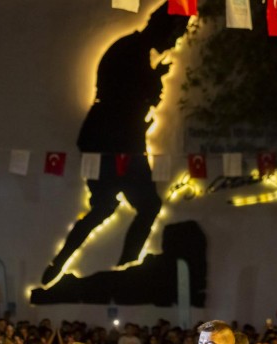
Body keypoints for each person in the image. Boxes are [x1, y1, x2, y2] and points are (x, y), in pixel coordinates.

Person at [40, 1, 191, 285]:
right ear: (163, 27)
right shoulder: (131, 52)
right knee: (125, 206)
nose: (174, 43)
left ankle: (89, 266)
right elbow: (123, 99)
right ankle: (123, 269)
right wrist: (152, 84)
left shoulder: (136, 51)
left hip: (118, 138)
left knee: (116, 207)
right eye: (175, 35)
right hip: (113, 140)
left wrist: (152, 81)